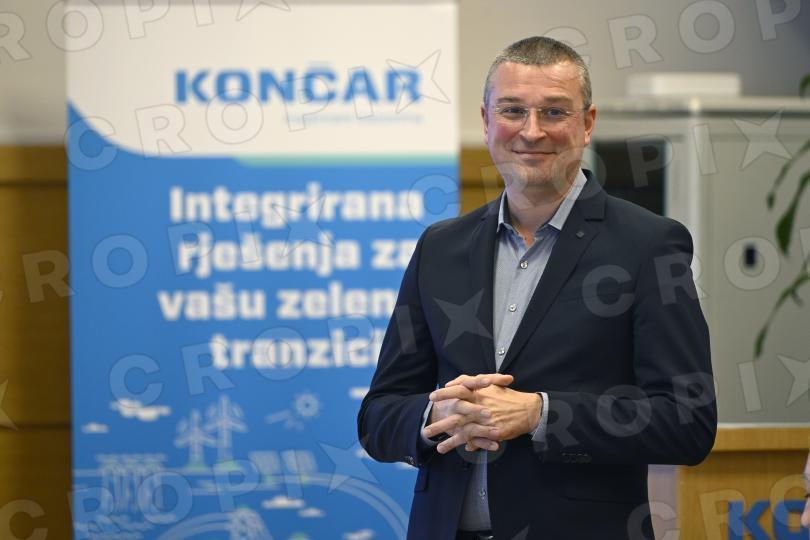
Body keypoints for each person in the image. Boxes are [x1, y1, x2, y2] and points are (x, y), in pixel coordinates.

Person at [357, 36, 717, 540]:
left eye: (554, 112)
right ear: (486, 121)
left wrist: (541, 413)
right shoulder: (439, 247)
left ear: (587, 123)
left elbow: (688, 422)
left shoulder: (649, 245)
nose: (531, 131)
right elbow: (377, 416)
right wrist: (433, 415)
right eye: (512, 110)